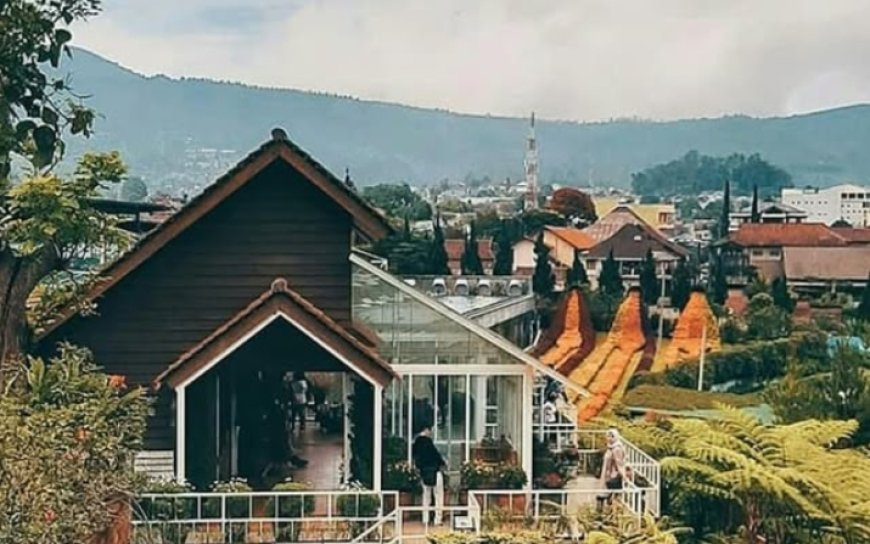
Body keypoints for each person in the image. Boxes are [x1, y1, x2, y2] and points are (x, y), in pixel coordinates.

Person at [412, 422, 446, 526]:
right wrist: (443, 463)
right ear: (427, 430)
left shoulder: (416, 443)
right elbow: (437, 457)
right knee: (438, 496)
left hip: (424, 473)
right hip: (435, 472)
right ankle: (437, 519)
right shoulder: (428, 442)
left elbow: (416, 460)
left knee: (426, 496)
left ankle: (425, 519)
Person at [600, 428, 626, 503]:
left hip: (613, 474)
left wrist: (622, 474)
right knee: (606, 494)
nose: (610, 438)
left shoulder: (617, 448)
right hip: (607, 472)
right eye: (608, 436)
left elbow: (619, 463)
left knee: (612, 494)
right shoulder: (610, 448)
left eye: (612, 436)